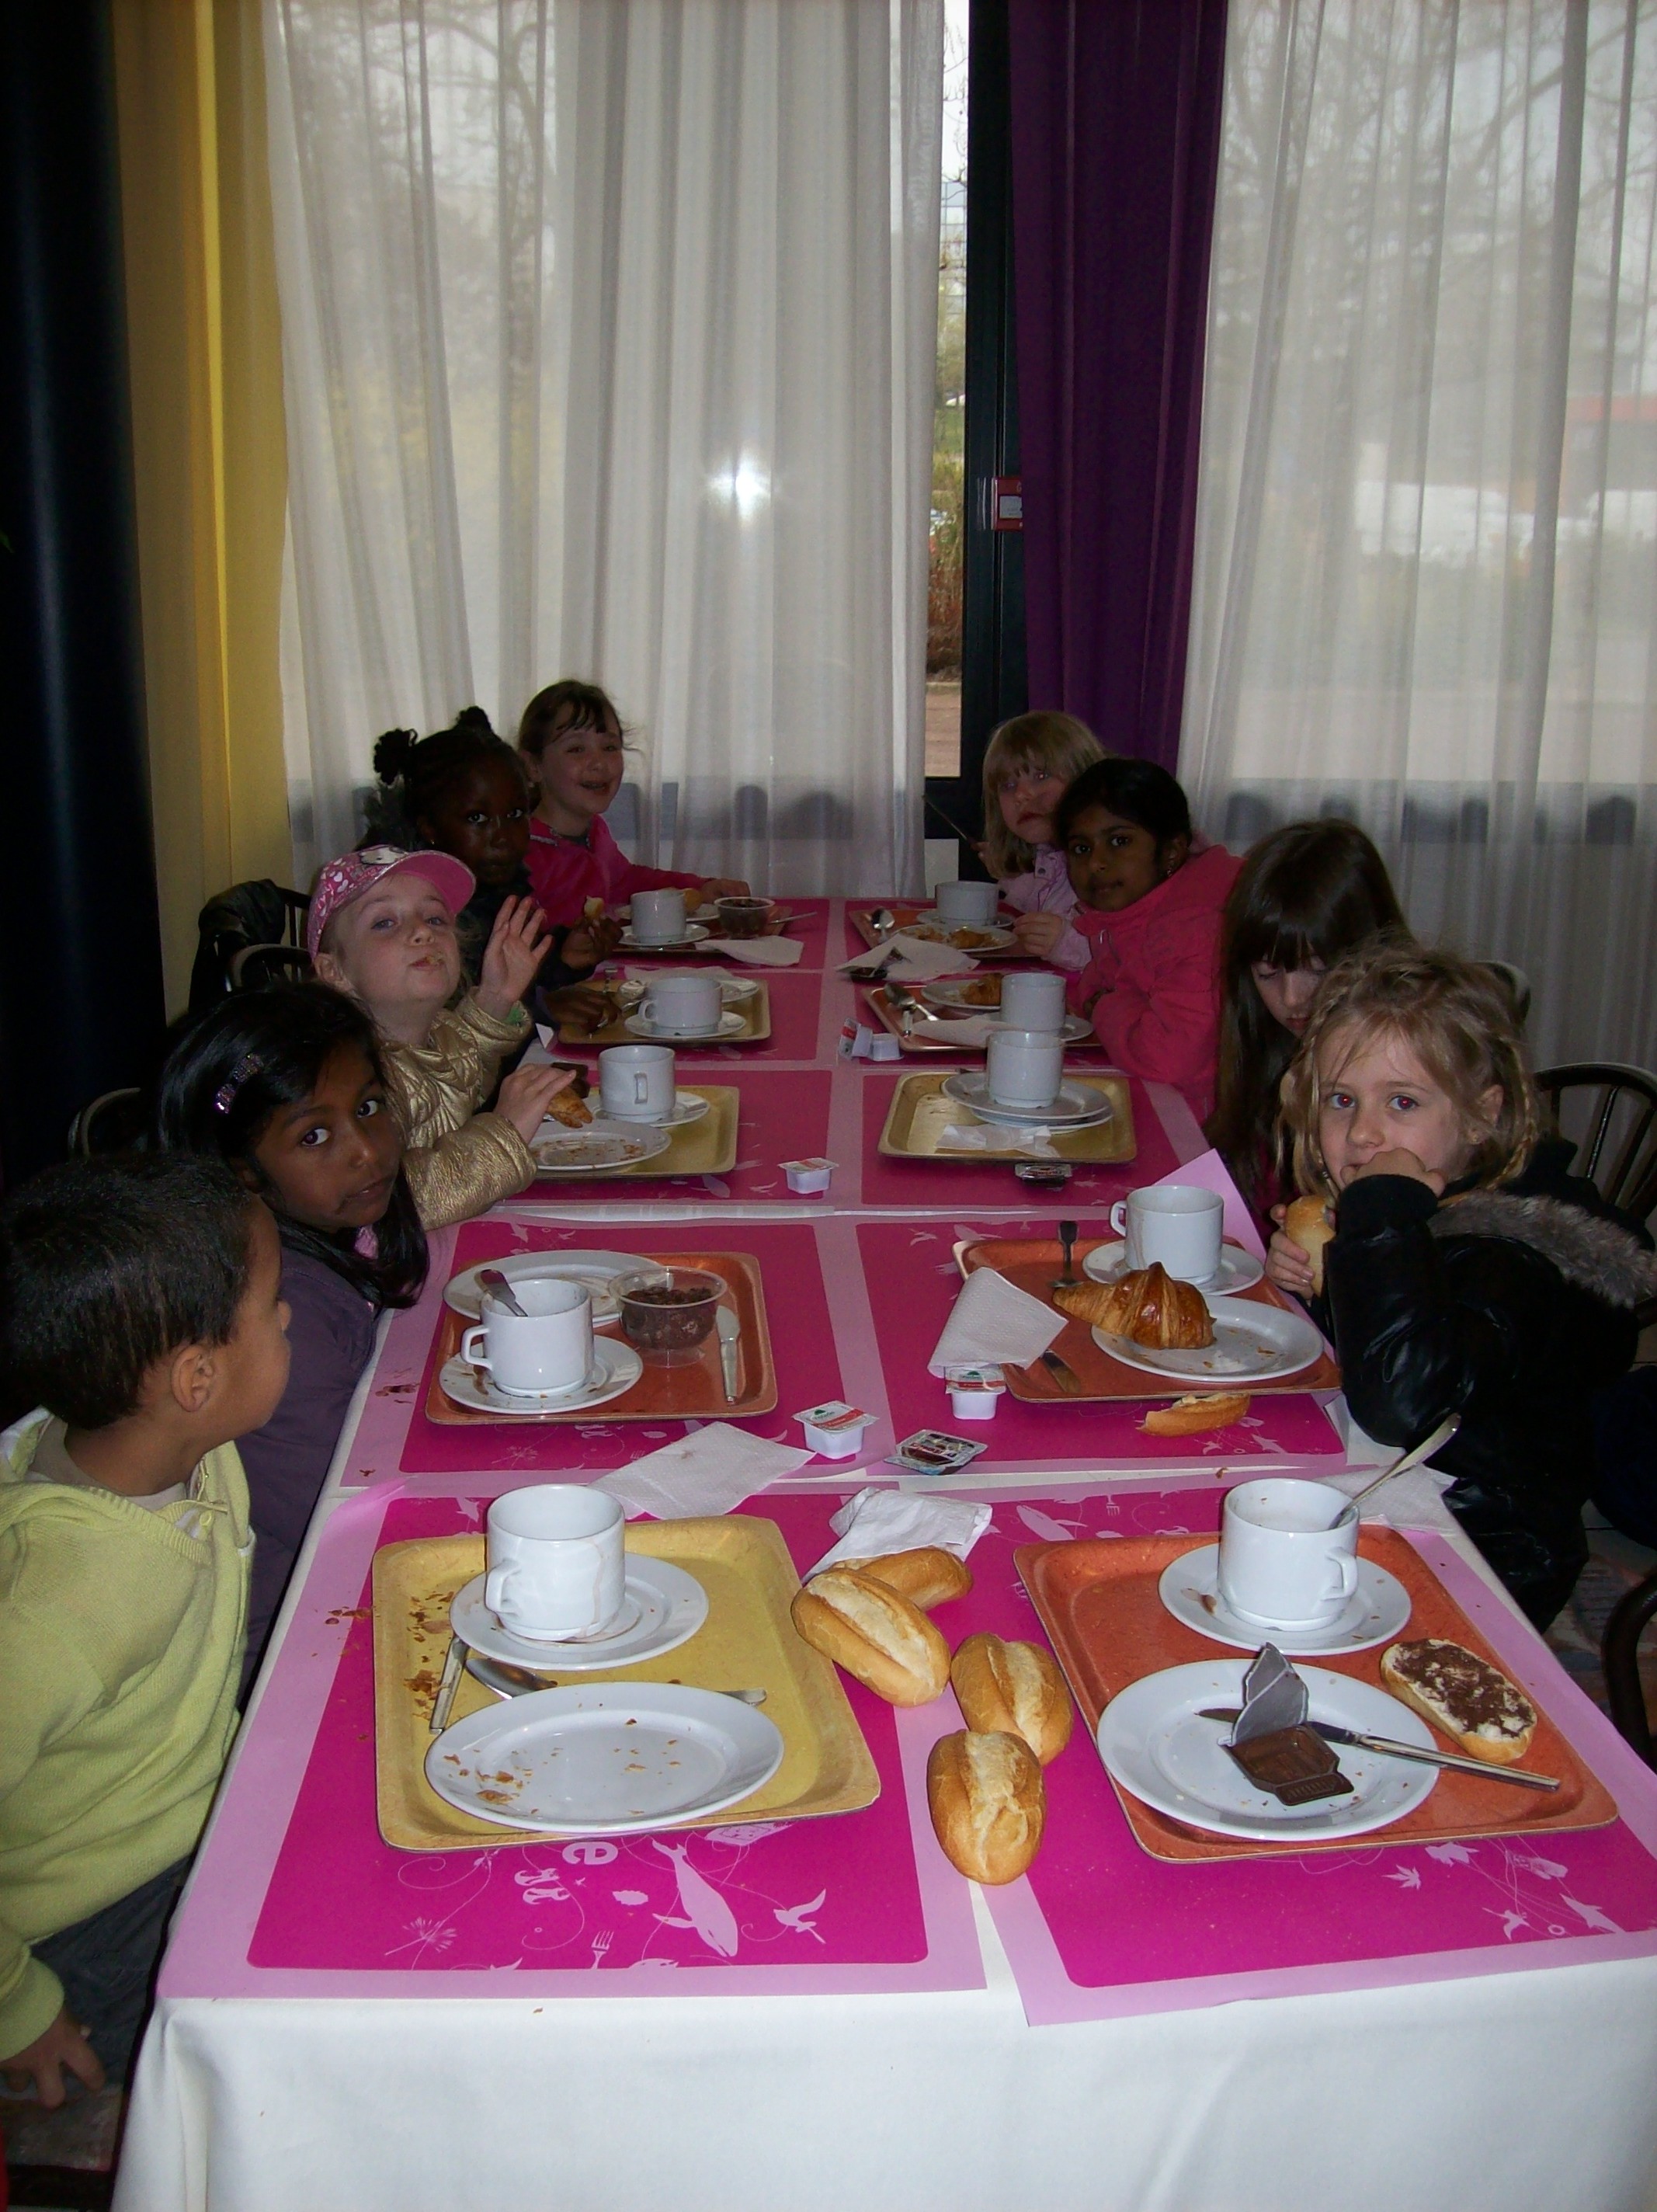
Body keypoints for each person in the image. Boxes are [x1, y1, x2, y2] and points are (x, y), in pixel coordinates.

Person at [0, 1155, 289, 2105]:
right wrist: (16, 2005)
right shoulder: (62, 1604)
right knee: (268, 2049)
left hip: (184, 1807)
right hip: (91, 1914)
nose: (289, 1319)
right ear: (198, 1377)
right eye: (272, 1309)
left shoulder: (171, 1448)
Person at [1267, 942, 1657, 1627]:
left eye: (1403, 1101)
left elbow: (1400, 1400)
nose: (1363, 1133)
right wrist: (1320, 1285)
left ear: (1481, 1115)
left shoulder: (1509, 1258)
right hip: (1407, 1490)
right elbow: (1380, 1348)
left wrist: (1380, 1218)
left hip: (1488, 1555)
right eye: (1341, 1100)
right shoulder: (1426, 1210)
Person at [154, 983, 428, 1692]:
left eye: (368, 1108)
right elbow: (347, 1519)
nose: (366, 1151)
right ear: (241, 1170)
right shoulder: (280, 1318)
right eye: (314, 1136)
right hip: (295, 1646)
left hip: (343, 1592)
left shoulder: (330, 1241)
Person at [307, 846, 577, 1228]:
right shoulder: (350, 1084)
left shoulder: (439, 1031)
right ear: (334, 972)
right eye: (384, 923)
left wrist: (496, 997)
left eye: (435, 918)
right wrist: (505, 1132)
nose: (423, 932)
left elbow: (466, 1063)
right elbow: (393, 1203)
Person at [1207, 819, 1408, 1223]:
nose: (1293, 999)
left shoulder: (1405, 1062)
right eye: (1267, 974)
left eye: (1318, 971)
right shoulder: (1270, 1048)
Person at [367, 708, 620, 1016]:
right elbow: (431, 1025)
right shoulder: (409, 914)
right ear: (429, 828)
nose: (503, 837)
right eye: (477, 818)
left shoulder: (498, 889)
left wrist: (564, 959)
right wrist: (539, 1010)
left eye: (515, 814)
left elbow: (508, 975)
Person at [1055, 758, 1242, 1119]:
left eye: (1119, 841)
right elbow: (1097, 982)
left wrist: (1104, 1007)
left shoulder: (1196, 926)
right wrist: (1111, 1002)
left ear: (1171, 851)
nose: (1096, 863)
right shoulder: (1133, 914)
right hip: (1174, 1099)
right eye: (1081, 848)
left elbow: (1167, 1058)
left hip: (1215, 1126)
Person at [516, 679, 749, 929]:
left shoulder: (596, 831)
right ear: (533, 766)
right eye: (576, 749)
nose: (599, 763)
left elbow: (627, 881)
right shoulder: (522, 853)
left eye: (609, 747)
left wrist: (701, 887)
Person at [977, 710, 1102, 970]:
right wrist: (1008, 876)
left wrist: (1063, 942)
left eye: (1041, 776)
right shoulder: (1044, 859)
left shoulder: (1112, 868)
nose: (1022, 795)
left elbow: (1125, 952)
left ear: (1084, 778)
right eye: (1008, 786)